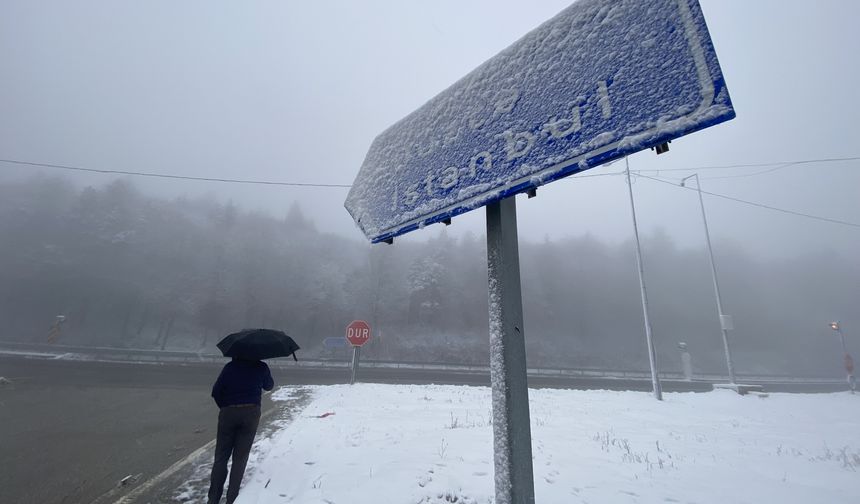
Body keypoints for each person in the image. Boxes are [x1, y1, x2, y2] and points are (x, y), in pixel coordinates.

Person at [207, 357, 274, 504]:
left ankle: (213, 499)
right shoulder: (261, 366)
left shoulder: (230, 367)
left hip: (228, 412)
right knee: (240, 458)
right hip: (251, 413)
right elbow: (269, 386)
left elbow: (216, 391)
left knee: (221, 457)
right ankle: (232, 499)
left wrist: (225, 407)